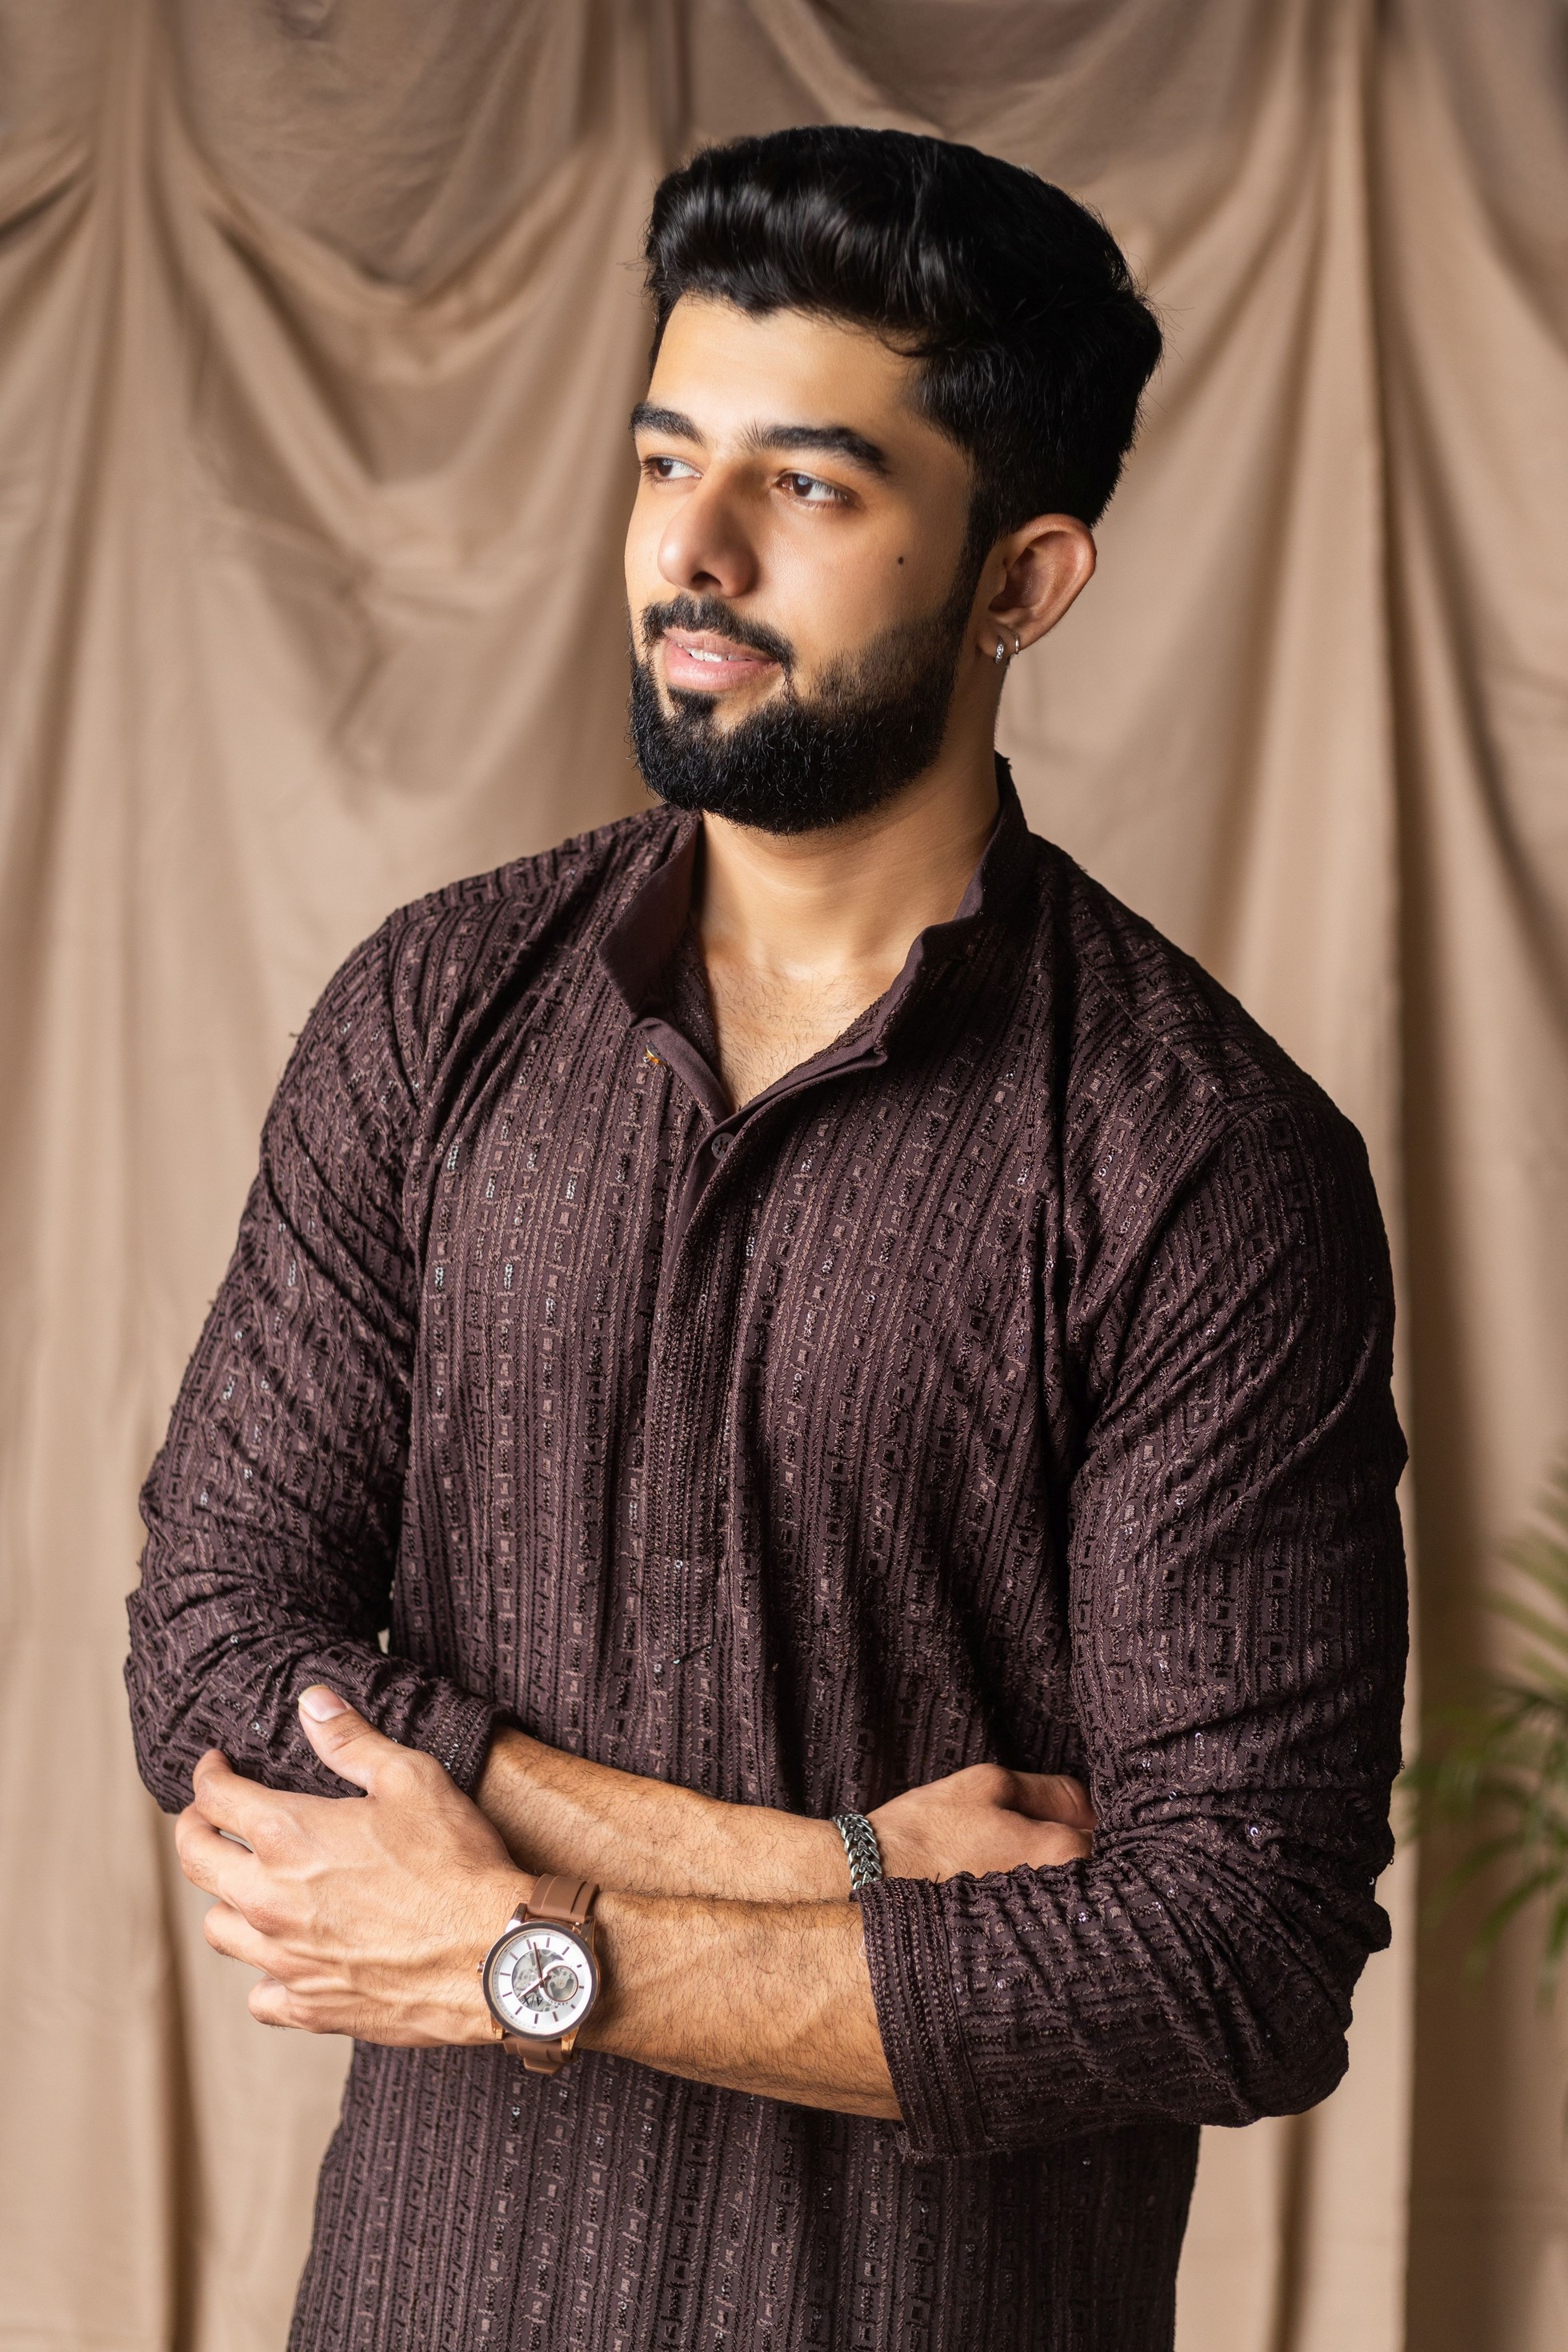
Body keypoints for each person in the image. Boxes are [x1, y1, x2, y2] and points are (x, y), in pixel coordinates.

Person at [126, 126, 1407, 2352]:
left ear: (1021, 583)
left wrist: (532, 1950)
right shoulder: (430, 1017)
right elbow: (217, 1652)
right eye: (665, 460)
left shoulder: (1200, 1160)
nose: (691, 551)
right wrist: (838, 1870)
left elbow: (1235, 1952)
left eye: (806, 485)